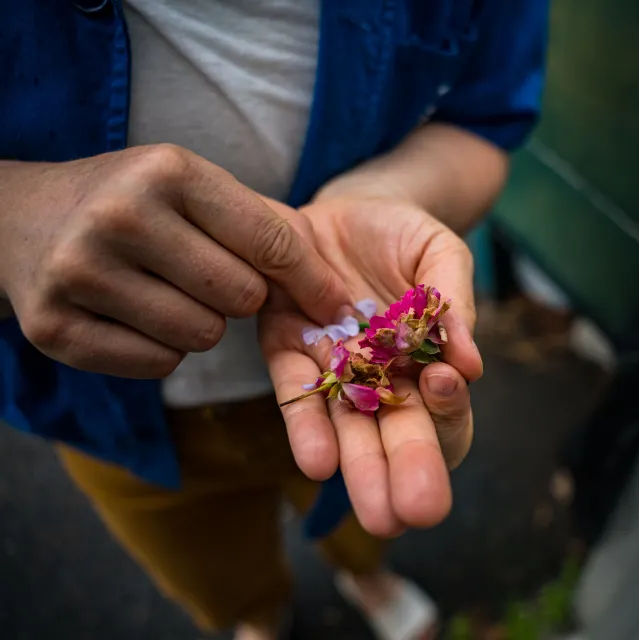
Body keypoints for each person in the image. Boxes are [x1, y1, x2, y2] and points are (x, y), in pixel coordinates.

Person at [0, 1, 548, 639]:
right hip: (105, 411)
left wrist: (392, 192)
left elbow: (487, 117)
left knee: (363, 513)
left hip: (310, 384)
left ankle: (364, 576)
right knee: (209, 567)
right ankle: (258, 615)